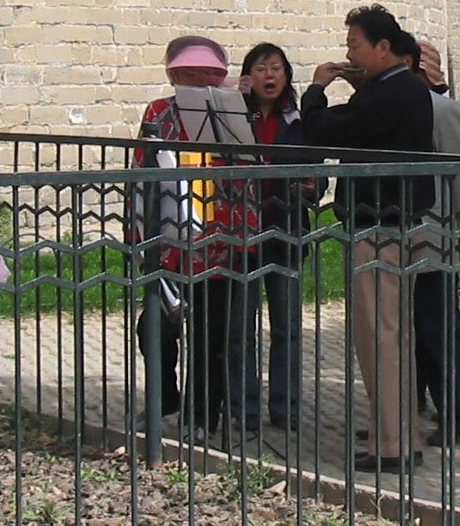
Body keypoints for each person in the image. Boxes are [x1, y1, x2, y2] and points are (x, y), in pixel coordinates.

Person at [300, 4, 434, 473]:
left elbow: (323, 132)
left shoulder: (390, 94)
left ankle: (394, 447)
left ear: (383, 47)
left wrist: (316, 89)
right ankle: (399, 436)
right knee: (392, 335)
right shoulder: (401, 90)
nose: (349, 54)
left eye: (355, 46)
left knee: (379, 336)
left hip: (379, 228)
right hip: (398, 223)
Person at [132, 35, 254, 441]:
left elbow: (250, 168)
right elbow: (142, 168)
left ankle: (202, 417)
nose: (198, 80)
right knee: (154, 326)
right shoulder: (159, 112)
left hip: (220, 239)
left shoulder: (235, 114)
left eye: (208, 74)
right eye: (188, 74)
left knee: (211, 336)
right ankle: (165, 397)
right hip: (169, 238)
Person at [227, 42, 324, 432]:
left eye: (277, 69)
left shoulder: (299, 121)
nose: (270, 76)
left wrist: (310, 188)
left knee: (287, 328)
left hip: (286, 229)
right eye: (262, 68)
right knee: (240, 327)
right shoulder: (232, 118)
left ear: (286, 76)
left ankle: (286, 407)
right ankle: (243, 407)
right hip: (241, 232)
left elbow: (318, 174)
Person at [396, 38, 460, 447]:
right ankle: (402, 412)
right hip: (394, 234)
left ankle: (454, 414)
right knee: (403, 327)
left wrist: (455, 232)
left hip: (434, 232)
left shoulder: (443, 111)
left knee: (438, 326)